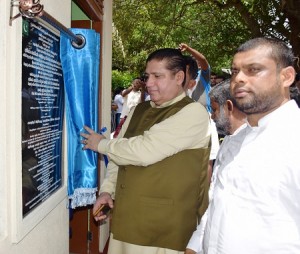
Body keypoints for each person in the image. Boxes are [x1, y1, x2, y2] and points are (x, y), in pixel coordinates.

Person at [81, 48, 211, 254]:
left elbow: (145, 151)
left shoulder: (194, 112)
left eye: (157, 76)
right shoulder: (138, 110)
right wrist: (107, 190)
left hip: (164, 229)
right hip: (127, 218)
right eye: (147, 76)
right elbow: (119, 155)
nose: (149, 83)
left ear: (179, 77)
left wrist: (101, 144)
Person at [186, 37, 300, 254]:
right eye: (235, 71)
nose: (238, 79)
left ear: (286, 77)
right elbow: (217, 205)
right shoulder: (234, 140)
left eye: (253, 70)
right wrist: (193, 247)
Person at [179, 43, 212, 112]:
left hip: (205, 115)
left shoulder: (203, 75)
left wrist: (188, 49)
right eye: (194, 59)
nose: (198, 61)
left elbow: (203, 59)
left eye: (198, 58)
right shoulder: (183, 76)